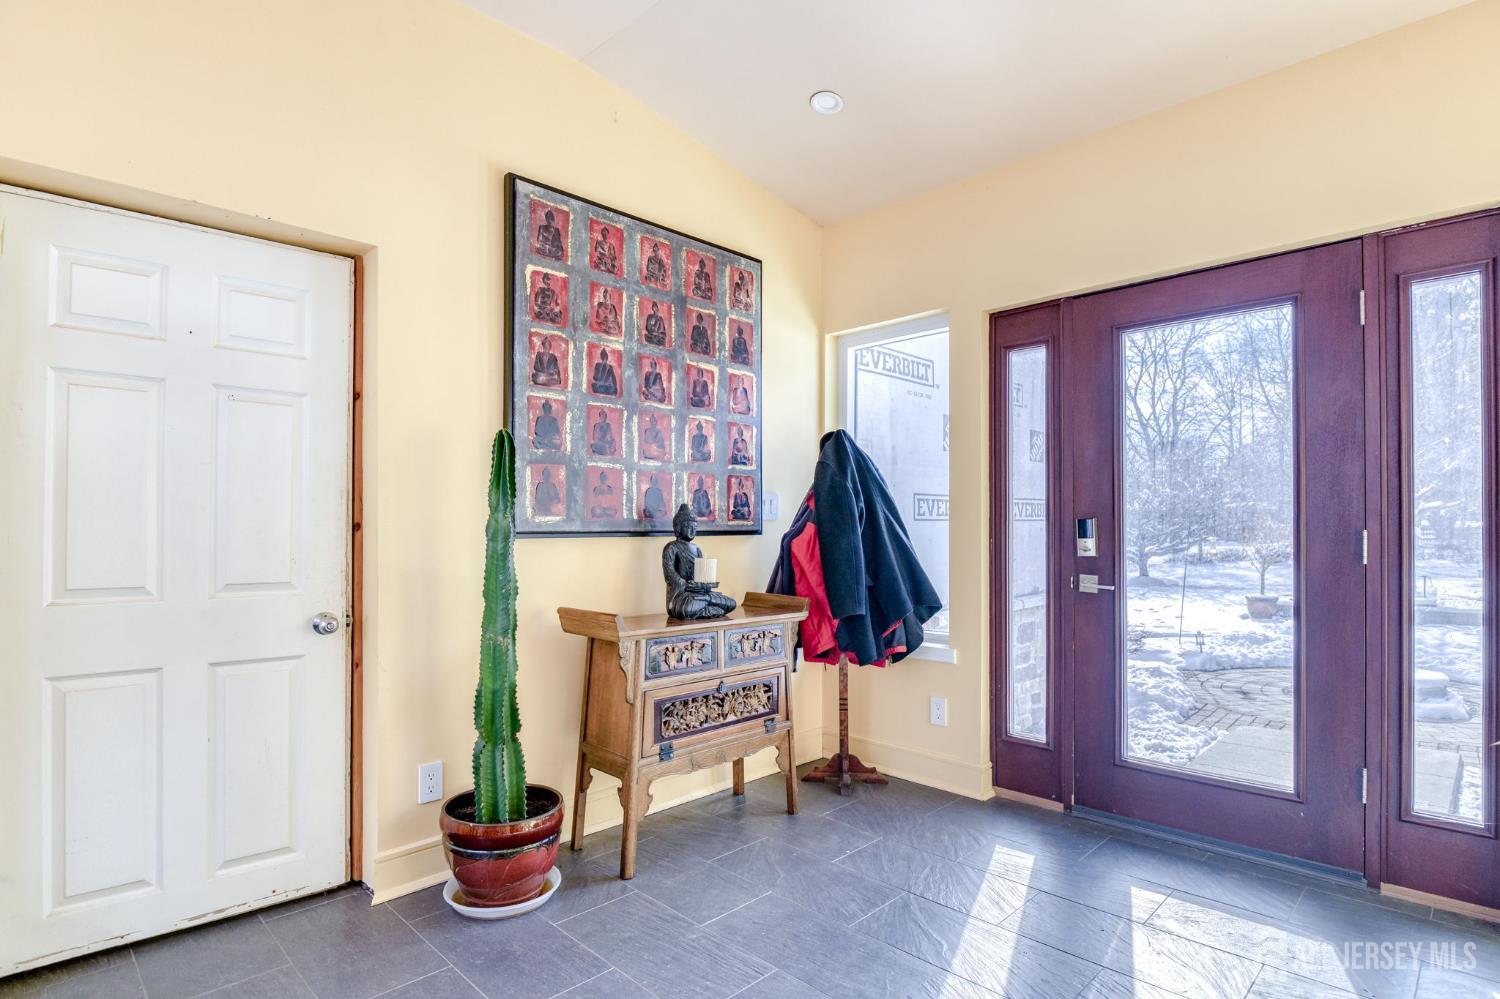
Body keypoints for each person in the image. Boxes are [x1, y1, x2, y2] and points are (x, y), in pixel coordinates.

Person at [662, 504, 737, 620]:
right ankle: (710, 607)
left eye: (695, 527)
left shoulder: (697, 549)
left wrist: (705, 586)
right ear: (678, 528)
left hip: (699, 595)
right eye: (688, 526)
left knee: (731, 603)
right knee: (686, 609)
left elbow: (702, 575)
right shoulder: (671, 547)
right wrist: (687, 585)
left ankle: (706, 603)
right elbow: (669, 575)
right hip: (682, 597)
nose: (692, 530)